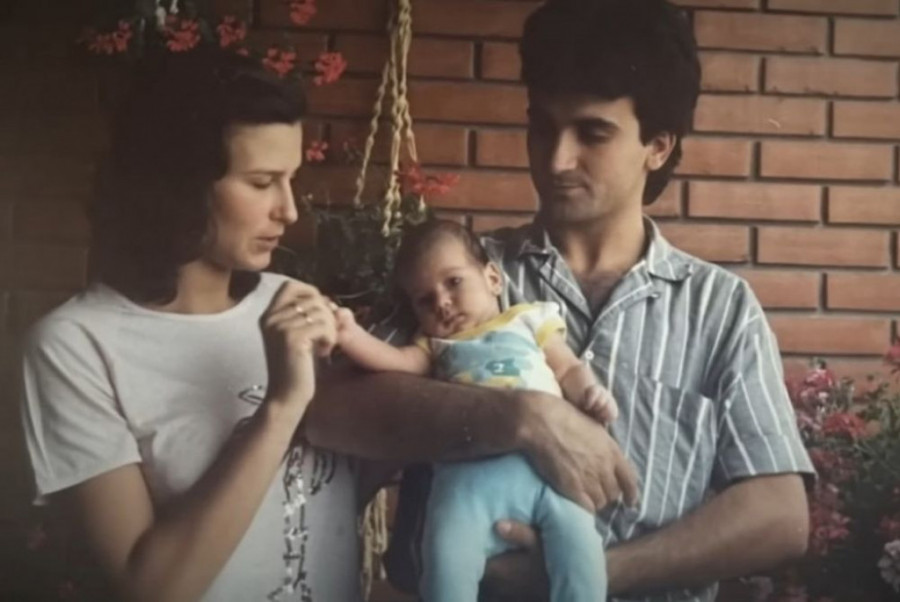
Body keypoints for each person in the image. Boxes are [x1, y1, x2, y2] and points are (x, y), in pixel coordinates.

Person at [302, 0, 814, 600]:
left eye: (592, 134)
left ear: (657, 146)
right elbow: (330, 412)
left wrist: (588, 575)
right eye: (543, 127)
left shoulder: (720, 307)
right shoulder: (460, 277)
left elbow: (781, 513)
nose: (556, 159)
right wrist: (518, 419)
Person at [19, 50, 356, 601]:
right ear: (181, 185)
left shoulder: (292, 305)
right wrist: (280, 407)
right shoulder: (76, 345)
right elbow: (149, 588)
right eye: (262, 182)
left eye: (291, 179)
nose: (289, 210)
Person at [334, 218, 618, 602]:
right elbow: (392, 360)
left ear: (493, 279)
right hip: (465, 485)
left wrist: (591, 394)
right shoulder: (435, 346)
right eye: (425, 300)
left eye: (453, 282)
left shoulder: (528, 319)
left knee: (582, 555)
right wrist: (350, 335)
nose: (442, 303)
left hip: (549, 475)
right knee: (445, 560)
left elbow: (568, 368)